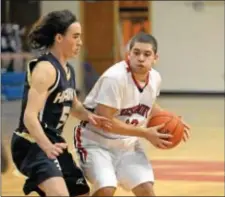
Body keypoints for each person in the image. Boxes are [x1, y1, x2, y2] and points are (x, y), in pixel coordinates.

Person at [74, 32, 190, 196]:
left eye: (146, 54)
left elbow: (147, 103)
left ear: (155, 58)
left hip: (127, 145)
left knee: (146, 190)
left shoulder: (155, 78)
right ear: (128, 54)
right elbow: (104, 121)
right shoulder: (115, 79)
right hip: (96, 142)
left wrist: (172, 120)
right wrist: (144, 133)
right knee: (106, 189)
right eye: (136, 53)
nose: (141, 58)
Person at [11, 9, 112, 197]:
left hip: (54, 141)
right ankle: (39, 178)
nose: (80, 42)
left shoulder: (68, 70)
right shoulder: (45, 69)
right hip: (32, 142)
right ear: (59, 38)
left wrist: (91, 117)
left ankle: (40, 180)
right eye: (75, 37)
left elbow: (73, 105)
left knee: (81, 192)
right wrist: (47, 147)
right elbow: (29, 117)